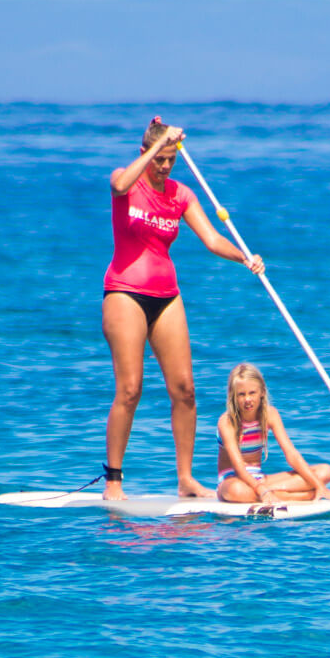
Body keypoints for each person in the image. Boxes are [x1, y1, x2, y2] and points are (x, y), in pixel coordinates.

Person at [102, 117, 265, 501]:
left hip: (167, 296)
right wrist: (157, 147)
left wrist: (245, 257)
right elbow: (121, 183)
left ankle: (186, 479)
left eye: (171, 160)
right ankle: (113, 480)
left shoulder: (180, 194)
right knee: (130, 389)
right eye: (160, 159)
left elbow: (211, 239)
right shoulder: (125, 180)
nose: (165, 167)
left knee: (186, 390)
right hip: (124, 293)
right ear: (145, 153)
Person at [216, 363, 330, 504]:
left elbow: (291, 454)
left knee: (325, 471)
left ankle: (277, 493)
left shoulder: (270, 414)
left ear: (262, 392)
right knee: (236, 491)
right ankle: (300, 496)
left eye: (252, 393)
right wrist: (261, 490)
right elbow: (239, 468)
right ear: (233, 396)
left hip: (261, 479)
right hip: (233, 479)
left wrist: (320, 487)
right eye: (241, 394)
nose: (247, 399)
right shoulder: (227, 422)